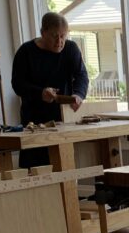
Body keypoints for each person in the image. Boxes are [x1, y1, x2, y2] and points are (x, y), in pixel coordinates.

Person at [12, 12, 88, 168]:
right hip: (34, 122)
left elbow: (82, 76)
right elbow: (17, 84)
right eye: (55, 36)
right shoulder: (26, 52)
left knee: (64, 167)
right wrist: (40, 93)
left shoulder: (71, 49)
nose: (59, 42)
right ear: (43, 32)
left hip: (63, 120)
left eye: (63, 36)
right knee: (35, 170)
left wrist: (78, 94)